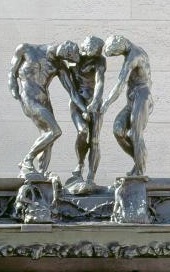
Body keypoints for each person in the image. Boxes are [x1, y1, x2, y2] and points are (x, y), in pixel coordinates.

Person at [8, 40, 80, 177]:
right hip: (29, 98)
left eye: (68, 57)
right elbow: (12, 72)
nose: (65, 57)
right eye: (68, 53)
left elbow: (72, 91)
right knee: (55, 131)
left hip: (44, 101)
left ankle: (41, 174)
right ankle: (27, 160)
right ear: (64, 44)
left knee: (47, 138)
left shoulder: (59, 65)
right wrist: (13, 88)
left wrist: (85, 107)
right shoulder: (26, 49)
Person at [101, 35, 153, 176]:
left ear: (121, 46)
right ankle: (139, 160)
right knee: (118, 130)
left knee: (135, 134)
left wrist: (106, 103)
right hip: (132, 100)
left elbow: (120, 83)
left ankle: (139, 172)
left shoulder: (134, 56)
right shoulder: (129, 52)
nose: (115, 56)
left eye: (115, 53)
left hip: (142, 97)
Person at [66, 35, 107, 193]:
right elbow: (70, 87)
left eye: (96, 52)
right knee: (82, 131)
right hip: (77, 101)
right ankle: (80, 163)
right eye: (91, 51)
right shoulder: (72, 60)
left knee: (95, 140)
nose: (94, 54)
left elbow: (100, 82)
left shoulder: (99, 61)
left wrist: (95, 102)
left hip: (94, 102)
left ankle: (90, 176)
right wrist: (83, 107)